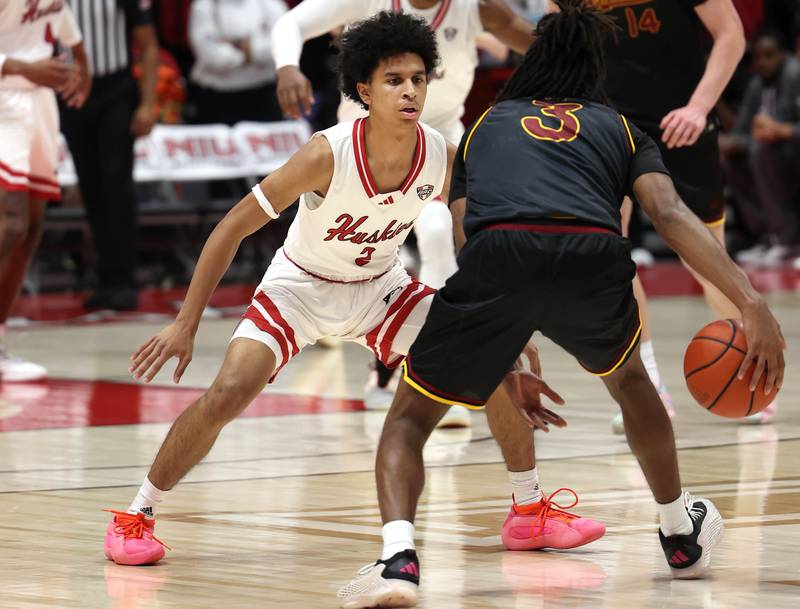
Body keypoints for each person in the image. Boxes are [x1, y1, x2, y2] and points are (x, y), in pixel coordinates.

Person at [102, 11, 603, 569]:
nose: (410, 90)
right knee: (229, 391)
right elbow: (233, 225)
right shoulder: (327, 152)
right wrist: (187, 321)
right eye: (395, 80)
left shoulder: (439, 153)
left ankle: (529, 511)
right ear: (364, 90)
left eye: (418, 78)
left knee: (489, 362)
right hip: (299, 287)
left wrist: (501, 325)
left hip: (380, 289)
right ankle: (136, 514)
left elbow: (475, 243)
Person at [339, 3, 786, 606]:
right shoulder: (619, 126)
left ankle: (397, 560)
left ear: (534, 61)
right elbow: (672, 217)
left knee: (409, 420)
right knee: (631, 385)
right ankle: (680, 530)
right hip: (592, 255)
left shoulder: (486, 124)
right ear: (593, 66)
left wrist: (508, 351)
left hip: (499, 256)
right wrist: (750, 302)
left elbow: (472, 233)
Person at [271, 0, 538, 422]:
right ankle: (375, 359)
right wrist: (288, 67)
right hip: (358, 156)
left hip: (437, 149)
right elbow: (290, 23)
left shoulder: (477, 8)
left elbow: (542, 48)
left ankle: (427, 375)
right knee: (344, 268)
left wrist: (576, 37)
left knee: (437, 236)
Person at [592, 0, 753, 432]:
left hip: (681, 118)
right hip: (610, 123)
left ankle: (751, 367)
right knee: (611, 251)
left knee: (705, 254)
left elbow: (731, 33)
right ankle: (648, 387)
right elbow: (560, 44)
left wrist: (700, 107)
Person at [0, 0, 90, 381]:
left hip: (40, 104)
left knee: (32, 228)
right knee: (11, 223)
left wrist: (82, 67)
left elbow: (68, 29)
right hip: (4, 100)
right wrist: (24, 66)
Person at [60, 0, 159, 312]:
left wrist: (148, 104)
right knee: (90, 188)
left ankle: (124, 280)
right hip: (71, 96)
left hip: (115, 92)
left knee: (116, 186)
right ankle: (105, 279)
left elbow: (149, 43)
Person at [720, 29, 800, 268]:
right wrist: (725, 143)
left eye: (770, 55)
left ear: (783, 56)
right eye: (759, 57)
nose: (764, 63)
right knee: (732, 157)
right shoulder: (757, 84)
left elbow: (781, 126)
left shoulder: (794, 75)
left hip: (790, 149)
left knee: (760, 151)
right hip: (774, 150)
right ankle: (768, 236)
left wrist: (779, 130)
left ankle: (788, 241)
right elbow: (743, 130)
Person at [188, 0, 287, 125]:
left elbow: (283, 45)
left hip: (262, 97)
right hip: (215, 100)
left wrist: (240, 47)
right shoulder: (203, 6)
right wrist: (249, 52)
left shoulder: (272, 4)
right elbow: (210, 56)